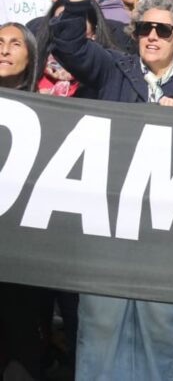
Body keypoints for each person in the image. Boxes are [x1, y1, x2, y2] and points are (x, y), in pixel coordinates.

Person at [51, 0, 173, 380]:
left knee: (162, 332)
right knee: (100, 329)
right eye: (145, 29)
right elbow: (67, 46)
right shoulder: (113, 69)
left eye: (163, 31)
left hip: (167, 236)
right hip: (108, 227)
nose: (153, 37)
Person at [0, 22, 51, 381]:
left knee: (20, 341)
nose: (4, 50)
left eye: (15, 44)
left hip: (23, 253)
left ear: (31, 56)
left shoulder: (49, 112)